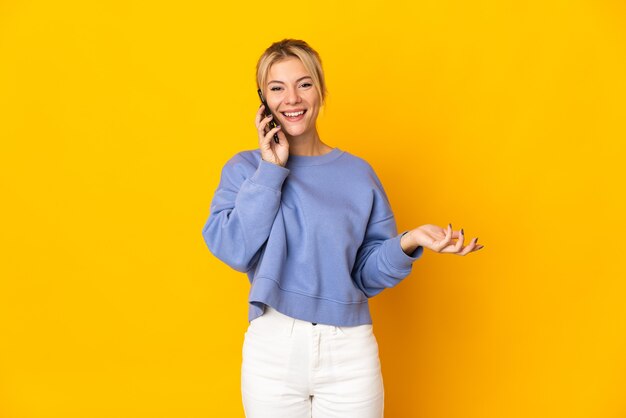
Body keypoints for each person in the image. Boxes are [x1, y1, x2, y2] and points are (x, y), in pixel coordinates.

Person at [201, 38, 484, 418]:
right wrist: (271, 170)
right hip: (273, 347)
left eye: (304, 83)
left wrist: (408, 241)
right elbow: (234, 249)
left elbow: (365, 273)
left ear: (320, 90)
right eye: (276, 87)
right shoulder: (245, 169)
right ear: (262, 100)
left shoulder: (357, 174)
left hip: (349, 350)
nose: (292, 99)